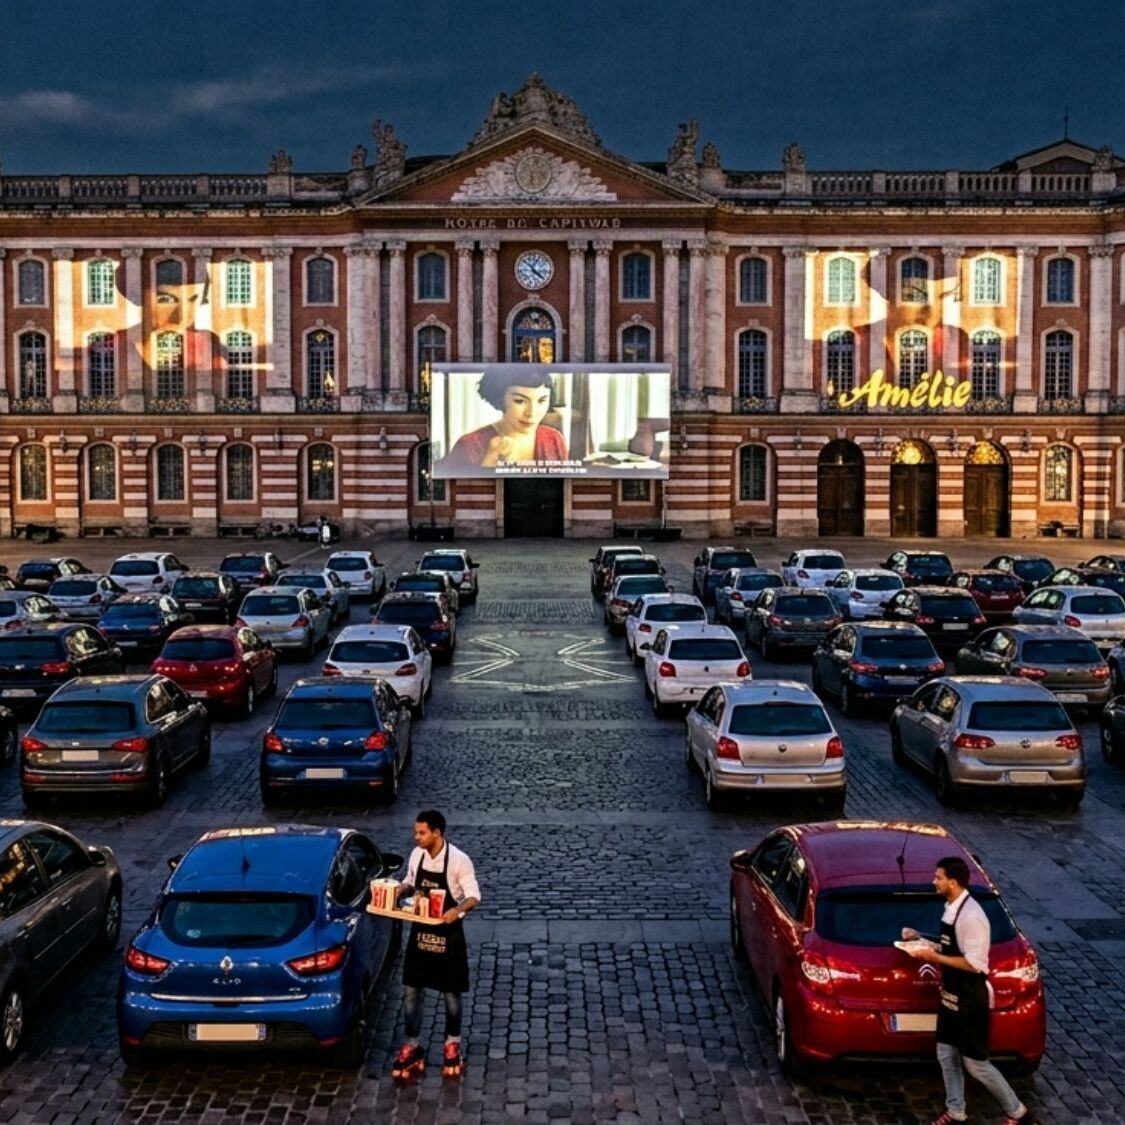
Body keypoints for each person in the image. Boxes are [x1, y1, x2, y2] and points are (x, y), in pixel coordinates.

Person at [904, 856, 1031, 1125]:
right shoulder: (952, 907)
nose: (934, 882)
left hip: (969, 998)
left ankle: (1017, 1112)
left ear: (953, 882)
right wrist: (921, 939)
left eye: (938, 878)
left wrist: (934, 957)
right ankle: (956, 1111)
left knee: (976, 1064)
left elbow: (974, 964)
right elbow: (951, 946)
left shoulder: (972, 917)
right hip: (950, 995)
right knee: (946, 1054)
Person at [390, 809, 480, 1081]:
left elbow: (474, 896)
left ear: (437, 833)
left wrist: (457, 910)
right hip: (420, 933)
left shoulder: (459, 860)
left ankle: (452, 1042)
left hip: (448, 936)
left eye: (422, 833)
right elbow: (410, 880)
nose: (416, 837)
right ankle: (412, 1044)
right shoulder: (417, 855)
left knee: (451, 993)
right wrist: (399, 890)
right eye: (416, 832)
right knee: (411, 990)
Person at [438, 369, 567, 471]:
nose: (532, 413)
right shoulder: (468, 445)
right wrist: (488, 463)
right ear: (499, 398)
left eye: (542, 400)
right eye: (520, 401)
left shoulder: (554, 438)